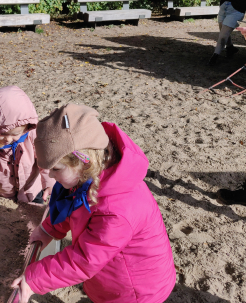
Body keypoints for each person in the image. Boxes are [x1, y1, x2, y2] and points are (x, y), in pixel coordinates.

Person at [11, 104, 176, 303]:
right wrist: (48, 230)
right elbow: (69, 205)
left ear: (84, 161)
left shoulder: (117, 210)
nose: (51, 176)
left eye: (56, 169)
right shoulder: (84, 178)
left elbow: (84, 260)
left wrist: (34, 279)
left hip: (133, 291)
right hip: (110, 275)